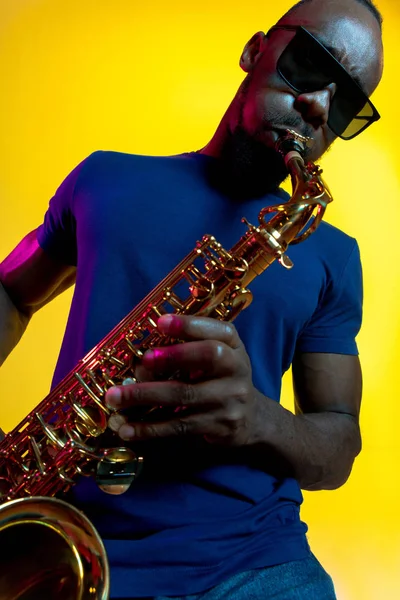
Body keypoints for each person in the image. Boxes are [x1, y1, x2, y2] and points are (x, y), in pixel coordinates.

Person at [0, 0, 384, 598]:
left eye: (348, 104)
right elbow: (11, 290)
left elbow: (337, 447)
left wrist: (259, 421)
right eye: (309, 65)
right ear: (255, 51)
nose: (318, 106)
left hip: (255, 564)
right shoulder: (105, 178)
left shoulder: (333, 253)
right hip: (62, 538)